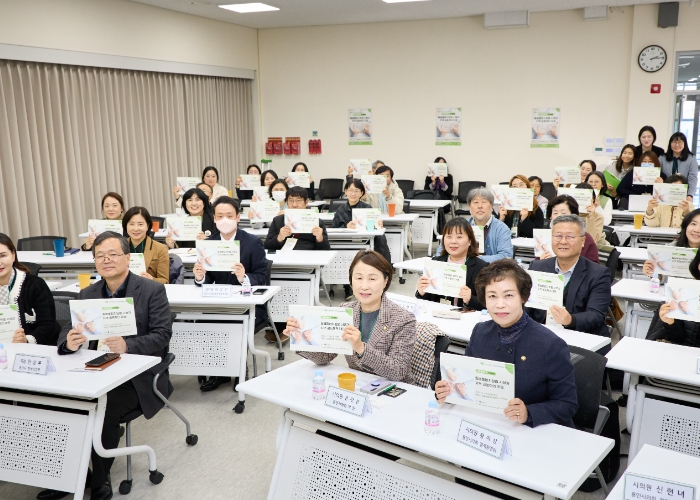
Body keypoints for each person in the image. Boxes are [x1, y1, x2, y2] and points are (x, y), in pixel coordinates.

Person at [45, 232, 172, 500]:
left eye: (113, 254)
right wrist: (69, 342)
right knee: (60, 403)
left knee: (103, 409)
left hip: (137, 376)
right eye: (100, 256)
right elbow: (68, 330)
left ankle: (99, 479)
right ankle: (71, 474)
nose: (106, 260)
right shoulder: (88, 293)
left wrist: (128, 345)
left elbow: (162, 335)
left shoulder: (151, 290)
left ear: (128, 257)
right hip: (94, 369)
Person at [434, 259, 578, 427]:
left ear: (523, 296)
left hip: (531, 430)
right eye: (492, 296)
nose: (500, 304)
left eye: (508, 295)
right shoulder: (480, 332)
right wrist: (447, 392)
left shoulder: (550, 344)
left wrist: (529, 413)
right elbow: (465, 378)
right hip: (487, 422)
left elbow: (567, 404)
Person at [283, 250, 415, 383]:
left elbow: (398, 371)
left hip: (395, 389)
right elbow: (324, 357)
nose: (364, 286)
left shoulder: (403, 319)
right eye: (358, 278)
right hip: (359, 384)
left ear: (385, 281)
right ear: (351, 281)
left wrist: (361, 348)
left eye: (372, 279)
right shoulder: (345, 311)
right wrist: (299, 339)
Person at [193, 197, 273, 382]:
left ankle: (238, 368)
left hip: (248, 304)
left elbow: (262, 277)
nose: (224, 220)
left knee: (235, 324)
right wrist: (200, 277)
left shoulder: (252, 242)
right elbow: (209, 279)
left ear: (238, 217)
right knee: (204, 322)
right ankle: (218, 370)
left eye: (229, 216)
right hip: (221, 302)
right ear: (214, 218)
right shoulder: (209, 243)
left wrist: (244, 277)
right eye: (220, 216)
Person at [526, 215, 612, 346]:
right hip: (543, 338)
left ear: (583, 241)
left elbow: (596, 315)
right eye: (558, 236)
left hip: (582, 340)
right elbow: (526, 307)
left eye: (570, 236)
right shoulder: (537, 267)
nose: (563, 241)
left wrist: (570, 320)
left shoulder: (598, 274)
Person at [0, 233, 60, 346]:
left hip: (35, 350)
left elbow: (48, 325)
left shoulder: (35, 285)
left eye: (2, 255)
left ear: (13, 255)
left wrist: (27, 340)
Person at [416, 218, 488, 311]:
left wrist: (470, 299)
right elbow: (427, 301)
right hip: (437, 315)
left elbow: (489, 303)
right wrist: (422, 292)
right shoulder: (435, 263)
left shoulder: (482, 268)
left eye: (459, 237)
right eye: (449, 236)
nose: (453, 241)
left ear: (470, 241)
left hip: (466, 317)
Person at [332, 179, 387, 300]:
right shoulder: (340, 210)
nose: (353, 193)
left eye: (356, 191)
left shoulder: (368, 208)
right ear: (345, 191)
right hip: (345, 244)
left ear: (362, 193)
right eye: (350, 190)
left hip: (364, 244)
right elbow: (333, 229)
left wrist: (378, 225)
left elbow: (374, 229)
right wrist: (346, 227)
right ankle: (347, 285)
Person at [264, 186, 330, 251]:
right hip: (284, 256)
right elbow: (266, 246)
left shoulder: (317, 222)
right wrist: (279, 238)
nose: (294, 205)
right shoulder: (277, 220)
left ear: (306, 202)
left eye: (298, 201)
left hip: (307, 255)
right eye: (291, 201)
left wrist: (320, 239)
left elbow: (326, 250)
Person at [642, 208, 700, 277]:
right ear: (686, 225)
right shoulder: (671, 248)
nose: (697, 230)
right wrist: (653, 273)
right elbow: (663, 278)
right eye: (693, 224)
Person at [544, 195, 600, 263]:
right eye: (555, 213)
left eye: (563, 213)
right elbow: (537, 262)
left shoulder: (584, 237)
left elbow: (594, 265)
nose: (559, 216)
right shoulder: (543, 236)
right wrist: (541, 260)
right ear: (550, 216)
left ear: (573, 215)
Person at [122, 207, 170, 284]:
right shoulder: (119, 247)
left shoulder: (160, 249)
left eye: (140, 224)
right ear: (126, 226)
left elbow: (165, 281)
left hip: (148, 288)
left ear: (147, 226)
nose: (136, 228)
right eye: (131, 224)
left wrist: (151, 279)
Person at [465, 187, 513, 262]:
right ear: (469, 207)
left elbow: (506, 256)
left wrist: (476, 260)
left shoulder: (502, 228)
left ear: (491, 206)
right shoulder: (462, 225)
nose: (480, 206)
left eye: (484, 202)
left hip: (492, 268)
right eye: (476, 202)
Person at [660, 132, 698, 202]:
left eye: (680, 142)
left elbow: (693, 178)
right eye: (674, 142)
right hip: (665, 194)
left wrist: (690, 195)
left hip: (683, 195)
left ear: (684, 144)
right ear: (670, 143)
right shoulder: (662, 158)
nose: (677, 145)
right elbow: (658, 175)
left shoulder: (691, 158)